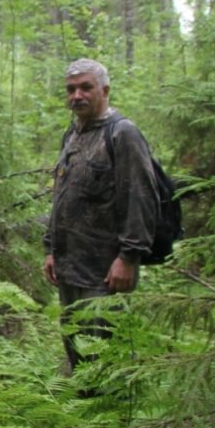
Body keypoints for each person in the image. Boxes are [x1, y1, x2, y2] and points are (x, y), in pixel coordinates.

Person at [42, 58, 159, 372]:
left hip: (105, 272)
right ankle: (82, 413)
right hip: (69, 267)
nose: (76, 95)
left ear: (104, 90)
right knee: (76, 350)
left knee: (104, 356)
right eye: (71, 90)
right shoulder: (73, 134)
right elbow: (62, 194)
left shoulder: (122, 134)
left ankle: (110, 419)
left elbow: (141, 197)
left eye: (85, 87)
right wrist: (51, 249)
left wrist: (129, 257)